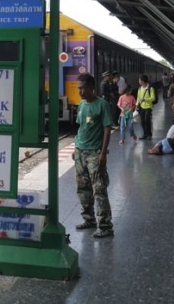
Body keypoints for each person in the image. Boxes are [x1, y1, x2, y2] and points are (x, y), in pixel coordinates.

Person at [73, 73, 114, 238]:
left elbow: (107, 129)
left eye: (82, 88)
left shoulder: (102, 105)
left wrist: (103, 153)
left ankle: (105, 225)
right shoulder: (82, 105)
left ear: (91, 87)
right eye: (78, 88)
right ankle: (89, 219)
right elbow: (80, 128)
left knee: (99, 189)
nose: (80, 91)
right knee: (83, 189)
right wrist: (76, 148)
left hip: (94, 154)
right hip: (80, 152)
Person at [136, 74, 157, 140]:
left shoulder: (150, 88)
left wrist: (145, 99)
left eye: (139, 80)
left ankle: (149, 134)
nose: (139, 81)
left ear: (143, 81)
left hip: (148, 107)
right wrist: (137, 105)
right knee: (142, 121)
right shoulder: (140, 89)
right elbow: (138, 98)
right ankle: (145, 134)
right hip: (141, 107)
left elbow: (153, 98)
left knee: (147, 120)